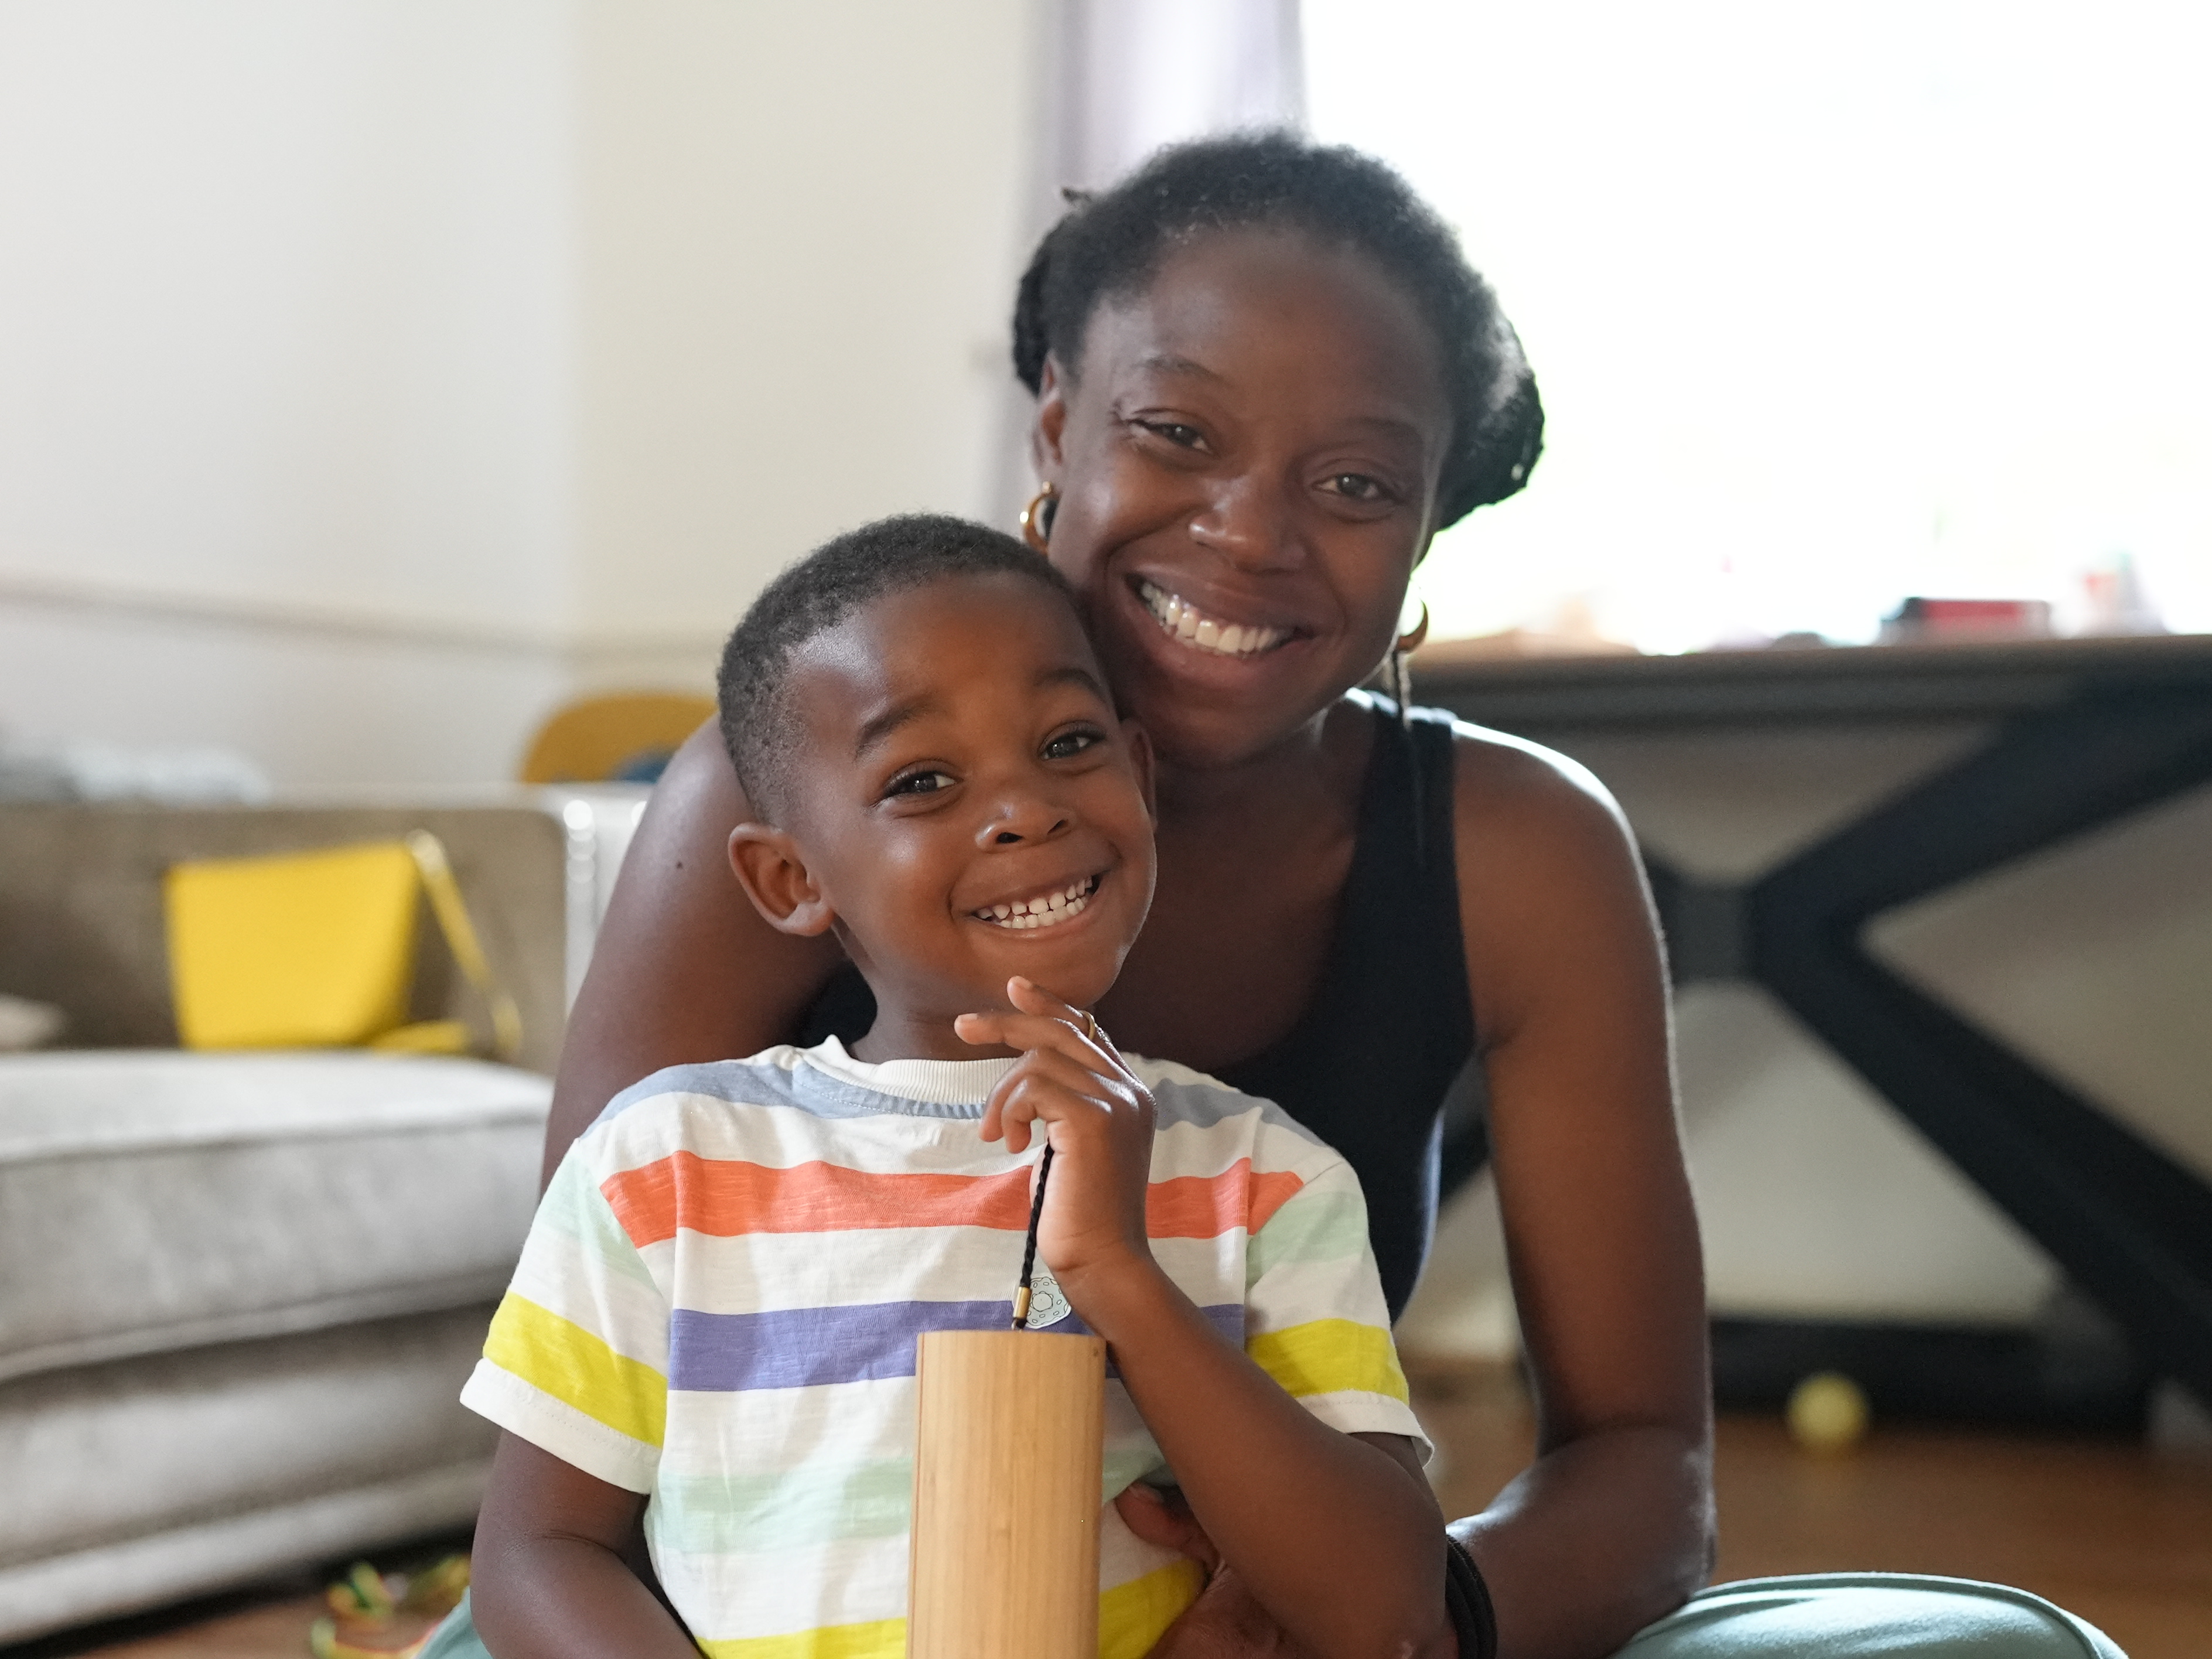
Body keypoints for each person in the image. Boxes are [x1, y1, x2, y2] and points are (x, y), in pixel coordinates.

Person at [429, 134, 2125, 1658]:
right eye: (1179, 433)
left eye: (1359, 483)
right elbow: (574, 1488)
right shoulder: (783, 788)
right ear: (1055, 432)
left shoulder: (1513, 855)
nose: (1251, 534)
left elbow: (1644, 1473)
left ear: (1426, 539)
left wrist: (1383, 1621)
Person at [461, 516, 1453, 1659]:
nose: (1026, 807)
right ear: (790, 877)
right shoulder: (665, 1165)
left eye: (1070, 742)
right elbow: (539, 1553)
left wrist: (1120, 1278)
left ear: (1139, 774)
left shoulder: (1265, 1177)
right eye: (923, 779)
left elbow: (1384, 1611)